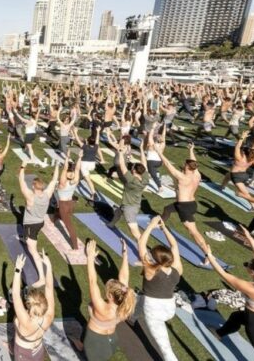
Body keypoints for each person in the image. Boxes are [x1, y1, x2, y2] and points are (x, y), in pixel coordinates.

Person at [205, 227, 254, 361]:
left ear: (253, 273)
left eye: (248, 265)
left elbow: (223, 274)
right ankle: (219, 333)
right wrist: (249, 237)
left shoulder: (252, 288)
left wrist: (209, 255)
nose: (246, 266)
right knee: (237, 316)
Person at [80, 239, 136, 361]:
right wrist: (125, 255)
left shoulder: (102, 307)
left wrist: (90, 258)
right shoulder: (125, 305)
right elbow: (124, 278)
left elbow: (92, 281)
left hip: (95, 341)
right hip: (112, 339)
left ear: (110, 297)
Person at [138, 216, 182, 361]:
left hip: (154, 310)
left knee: (166, 349)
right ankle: (132, 317)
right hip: (169, 307)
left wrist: (151, 226)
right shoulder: (176, 268)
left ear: (156, 260)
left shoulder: (151, 270)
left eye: (151, 255)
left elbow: (141, 243)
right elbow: (174, 246)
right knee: (138, 298)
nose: (148, 255)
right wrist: (164, 229)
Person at [157, 142, 210, 256]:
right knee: (167, 209)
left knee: (193, 232)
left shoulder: (182, 177)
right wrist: (191, 149)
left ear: (186, 167)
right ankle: (160, 224)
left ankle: (207, 254)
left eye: (184, 164)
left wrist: (159, 152)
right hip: (190, 204)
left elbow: (167, 164)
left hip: (184, 208)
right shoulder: (197, 175)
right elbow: (194, 162)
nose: (183, 165)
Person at [11, 251, 55, 361]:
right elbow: (49, 289)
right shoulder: (49, 316)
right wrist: (48, 266)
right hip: (38, 351)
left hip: (23, 353)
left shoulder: (26, 321)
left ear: (30, 308)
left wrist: (18, 270)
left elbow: (16, 295)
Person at [18, 163, 59, 273]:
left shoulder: (31, 197)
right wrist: (57, 166)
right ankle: (26, 239)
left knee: (33, 250)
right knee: (31, 238)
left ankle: (41, 276)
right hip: (40, 222)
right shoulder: (47, 194)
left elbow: (21, 182)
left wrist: (22, 167)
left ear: (33, 186)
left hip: (31, 225)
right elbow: (54, 180)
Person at [107, 147, 149, 241]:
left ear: (134, 171)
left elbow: (122, 166)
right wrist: (142, 149)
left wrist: (121, 154)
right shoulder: (145, 179)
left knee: (134, 231)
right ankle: (111, 224)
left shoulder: (131, 180)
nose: (131, 168)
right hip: (134, 204)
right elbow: (144, 164)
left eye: (132, 168)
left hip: (129, 208)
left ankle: (143, 247)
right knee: (118, 211)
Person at [54, 155, 81, 250]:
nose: (70, 174)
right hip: (71, 204)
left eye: (71, 173)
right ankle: (56, 216)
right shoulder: (75, 181)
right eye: (70, 172)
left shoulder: (62, 183)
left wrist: (67, 158)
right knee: (59, 212)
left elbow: (65, 169)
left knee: (69, 226)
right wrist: (79, 157)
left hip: (64, 205)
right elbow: (77, 169)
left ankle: (75, 246)